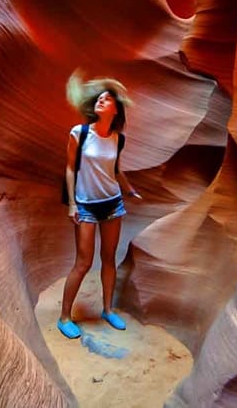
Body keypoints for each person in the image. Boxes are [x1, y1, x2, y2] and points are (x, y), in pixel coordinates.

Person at [56, 73, 142, 339]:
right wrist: (72, 204)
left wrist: (129, 189)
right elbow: (70, 169)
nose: (101, 101)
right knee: (83, 262)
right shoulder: (79, 133)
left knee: (109, 258)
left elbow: (115, 169)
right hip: (86, 205)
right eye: (100, 98)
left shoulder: (118, 138)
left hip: (113, 204)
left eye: (107, 100)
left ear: (115, 111)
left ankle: (107, 309)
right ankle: (64, 317)